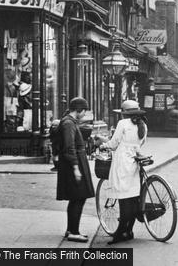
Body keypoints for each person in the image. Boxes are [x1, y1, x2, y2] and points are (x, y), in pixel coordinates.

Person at [102, 100, 148, 244]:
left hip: (122, 162)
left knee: (123, 199)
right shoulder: (143, 125)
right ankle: (129, 230)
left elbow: (114, 143)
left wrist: (103, 145)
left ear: (124, 113)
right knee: (133, 197)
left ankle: (119, 233)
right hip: (135, 161)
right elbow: (141, 143)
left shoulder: (123, 124)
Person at [56, 97, 94, 242]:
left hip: (74, 163)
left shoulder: (69, 122)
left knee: (76, 197)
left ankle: (70, 229)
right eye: (84, 111)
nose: (84, 114)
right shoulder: (68, 123)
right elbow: (69, 147)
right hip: (73, 164)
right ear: (79, 110)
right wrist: (76, 168)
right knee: (78, 197)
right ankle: (73, 232)